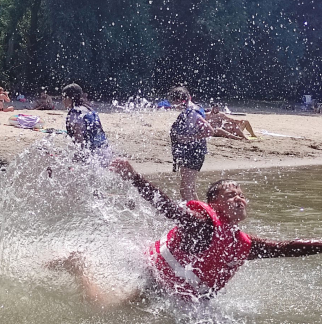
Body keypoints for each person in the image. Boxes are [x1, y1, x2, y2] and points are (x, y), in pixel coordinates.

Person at [51, 159, 322, 306]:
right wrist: (133, 177)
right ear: (214, 203)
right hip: (155, 279)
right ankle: (78, 266)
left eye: (241, 194)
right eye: (230, 195)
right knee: (105, 311)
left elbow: (287, 248)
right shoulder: (202, 223)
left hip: (179, 294)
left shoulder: (242, 244)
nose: (239, 198)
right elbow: (168, 207)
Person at [169, 86, 214, 201]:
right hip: (193, 152)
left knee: (185, 189)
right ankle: (203, 214)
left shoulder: (192, 113)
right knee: (190, 188)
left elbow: (209, 131)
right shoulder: (190, 110)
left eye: (174, 103)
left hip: (193, 153)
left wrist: (187, 138)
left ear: (179, 101)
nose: (174, 106)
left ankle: (191, 216)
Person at [62, 83, 112, 166]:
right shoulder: (89, 109)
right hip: (106, 153)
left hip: (94, 158)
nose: (62, 101)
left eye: (63, 97)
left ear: (69, 98)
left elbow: (80, 141)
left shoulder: (73, 114)